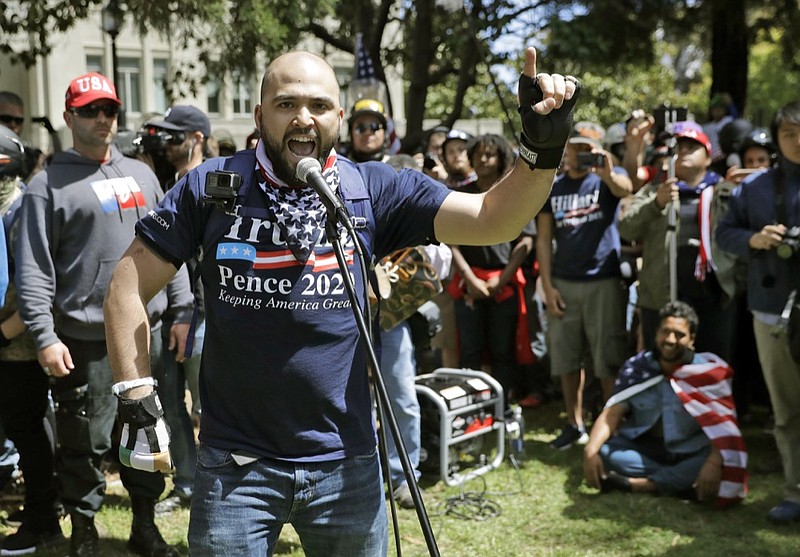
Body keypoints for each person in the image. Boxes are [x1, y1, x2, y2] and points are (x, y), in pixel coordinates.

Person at [103, 47, 578, 556]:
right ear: (260, 114)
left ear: (339, 117)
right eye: (286, 103)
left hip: (345, 464)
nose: (303, 117)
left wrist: (539, 151)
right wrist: (135, 395)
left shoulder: (371, 189)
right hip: (235, 466)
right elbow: (126, 286)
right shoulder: (214, 185)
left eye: (319, 105)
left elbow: (493, 218)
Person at [14, 72, 192, 557]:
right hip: (85, 340)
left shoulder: (142, 174)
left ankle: (144, 526)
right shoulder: (46, 186)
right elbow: (32, 269)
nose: (101, 120)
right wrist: (45, 336)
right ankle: (84, 529)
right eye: (90, 110)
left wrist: (182, 311)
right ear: (69, 116)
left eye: (109, 110)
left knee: (146, 435)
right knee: (83, 443)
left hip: (146, 333)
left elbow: (169, 249)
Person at [717, 100, 800, 524]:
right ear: (777, 137)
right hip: (772, 310)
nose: (797, 141)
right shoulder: (755, 188)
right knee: (785, 410)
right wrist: (756, 239)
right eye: (788, 134)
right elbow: (724, 234)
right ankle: (794, 491)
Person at [583, 301, 747, 507]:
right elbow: (612, 414)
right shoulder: (637, 368)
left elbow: (724, 430)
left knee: (722, 459)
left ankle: (639, 485)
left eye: (679, 334)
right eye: (665, 331)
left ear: (692, 339)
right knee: (605, 451)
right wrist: (590, 449)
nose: (670, 340)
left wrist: (714, 462)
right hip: (646, 450)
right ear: (656, 333)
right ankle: (679, 484)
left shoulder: (709, 372)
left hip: (691, 450)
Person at [536, 121, 633, 450]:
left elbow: (626, 188)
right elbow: (544, 238)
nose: (581, 153)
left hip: (602, 280)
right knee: (566, 360)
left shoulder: (606, 180)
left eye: (588, 148)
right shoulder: (554, 186)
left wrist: (607, 173)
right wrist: (547, 287)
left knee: (607, 357)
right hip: (564, 282)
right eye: (576, 146)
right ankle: (574, 423)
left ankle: (610, 426)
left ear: (600, 151)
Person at [0, 124, 66, 555]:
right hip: (10, 341)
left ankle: (44, 520)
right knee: (26, 430)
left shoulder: (20, 209)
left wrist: (3, 333)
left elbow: (35, 284)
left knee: (29, 433)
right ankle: (40, 508)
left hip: (18, 345)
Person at [145, 105, 212, 514]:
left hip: (200, 320)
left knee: (208, 408)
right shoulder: (169, 183)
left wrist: (189, 314)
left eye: (176, 136)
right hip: (170, 317)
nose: (168, 144)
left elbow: (208, 263)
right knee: (172, 406)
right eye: (165, 137)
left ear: (198, 138)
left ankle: (217, 487)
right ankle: (187, 483)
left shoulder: (213, 186)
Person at [447, 133, 534, 405]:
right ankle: (470, 411)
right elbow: (451, 241)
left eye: (490, 154)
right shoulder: (460, 195)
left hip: (503, 284)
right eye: (479, 154)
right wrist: (470, 278)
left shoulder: (512, 193)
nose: (484, 159)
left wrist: (501, 280)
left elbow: (525, 242)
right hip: (469, 285)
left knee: (502, 351)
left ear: (501, 158)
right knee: (470, 351)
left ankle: (502, 408)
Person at [345, 98, 389, 163]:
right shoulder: (338, 169)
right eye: (360, 128)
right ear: (351, 133)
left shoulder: (399, 168)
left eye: (374, 126)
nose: (367, 132)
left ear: (385, 132)